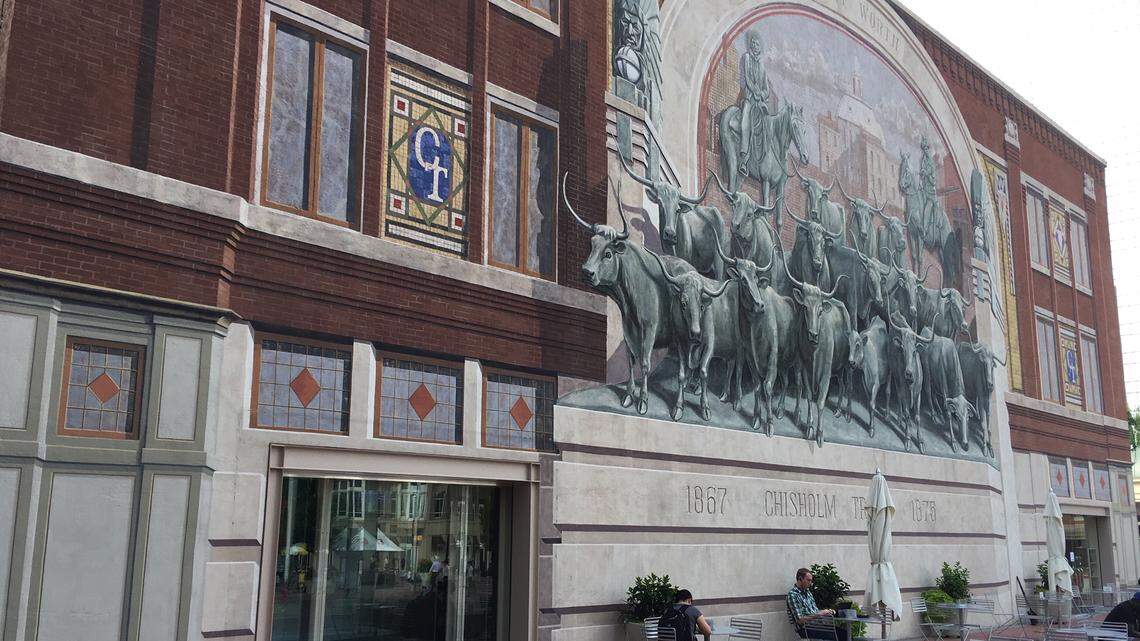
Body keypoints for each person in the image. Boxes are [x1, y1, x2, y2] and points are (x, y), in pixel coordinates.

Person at [737, 31, 771, 174]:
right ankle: (744, 158)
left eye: (757, 44)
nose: (754, 45)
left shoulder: (762, 65)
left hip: (760, 102)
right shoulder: (746, 58)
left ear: (760, 47)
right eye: (752, 43)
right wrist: (755, 93)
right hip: (749, 98)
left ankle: (766, 162)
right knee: (745, 122)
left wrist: (762, 94)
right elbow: (746, 78)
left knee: (768, 126)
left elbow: (766, 88)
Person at [787, 568, 847, 641]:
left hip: (817, 625)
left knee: (843, 632)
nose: (810, 583)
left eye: (811, 580)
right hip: (805, 629)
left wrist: (826, 612)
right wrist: (819, 614)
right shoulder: (793, 595)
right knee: (839, 634)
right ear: (800, 579)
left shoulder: (808, 592)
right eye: (808, 580)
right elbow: (800, 620)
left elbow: (814, 611)